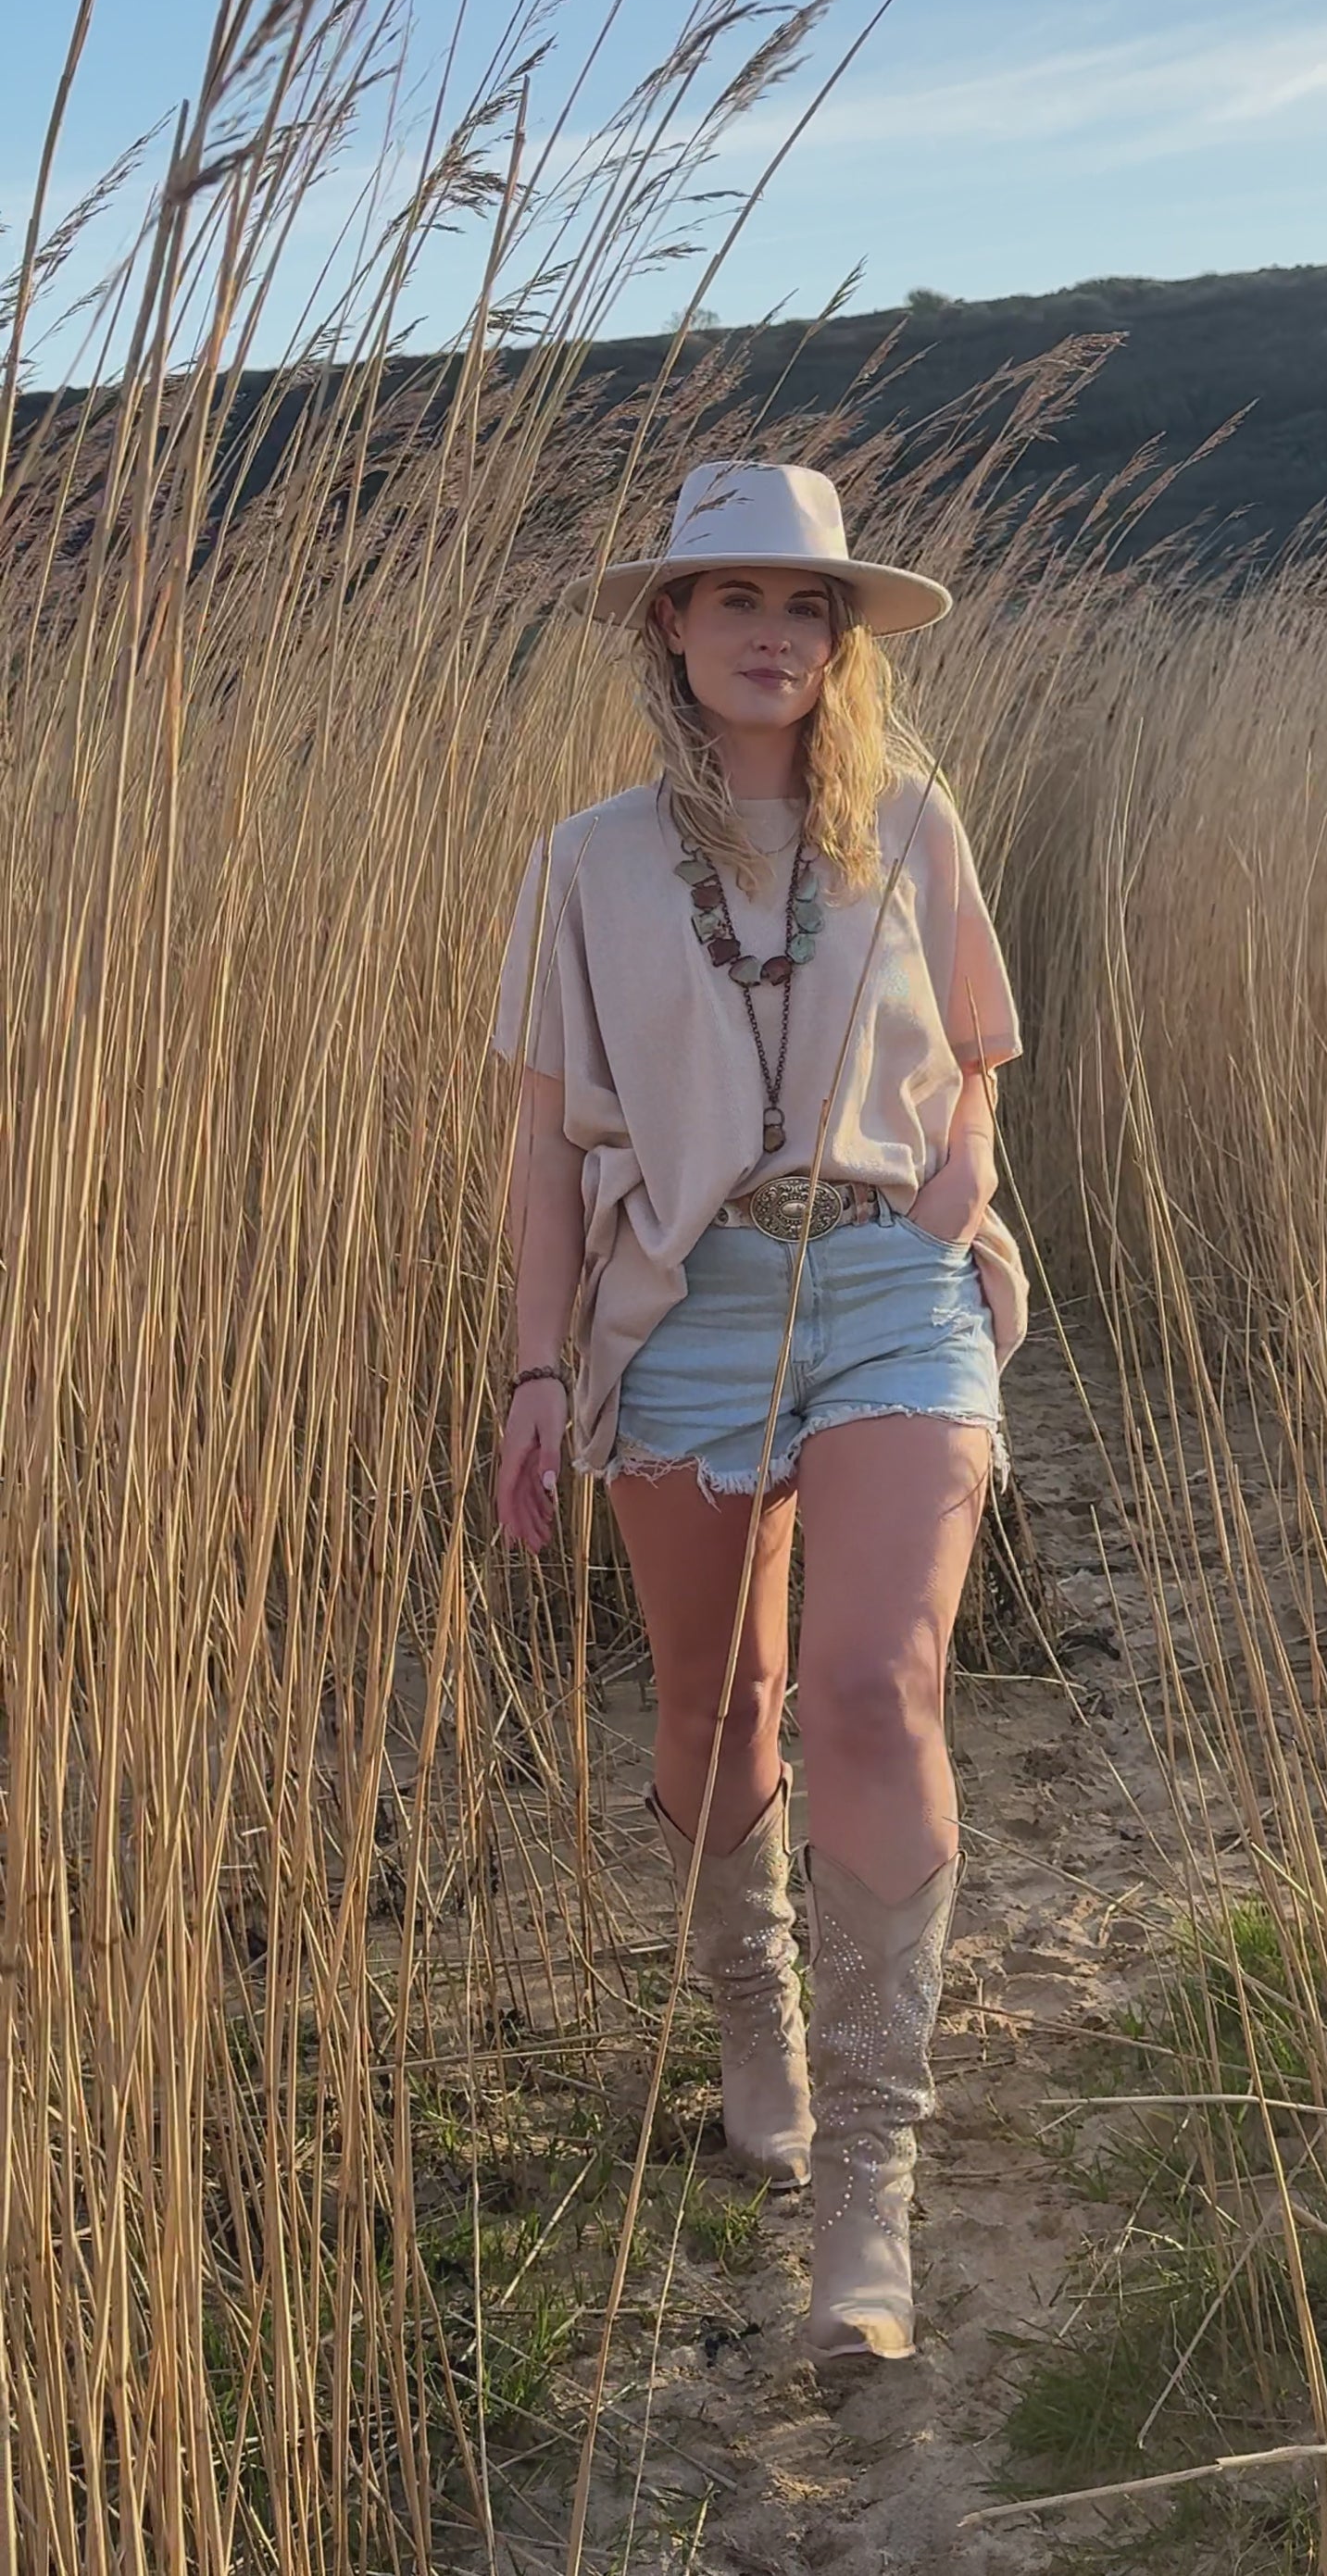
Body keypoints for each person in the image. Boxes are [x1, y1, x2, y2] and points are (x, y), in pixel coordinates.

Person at [488, 458, 1028, 2364]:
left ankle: (869, 2195)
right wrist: (536, 1365)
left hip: (888, 1284)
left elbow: (977, 1053)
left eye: (809, 606)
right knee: (717, 1701)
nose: (776, 634)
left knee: (871, 1688)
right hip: (684, 1305)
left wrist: (962, 1166)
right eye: (736, 597)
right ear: (672, 622)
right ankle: (757, 2020)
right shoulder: (587, 861)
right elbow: (547, 1149)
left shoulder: (917, 826)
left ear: (844, 641)